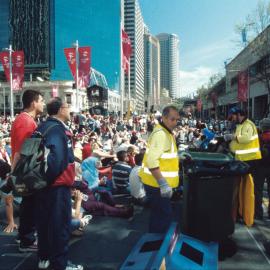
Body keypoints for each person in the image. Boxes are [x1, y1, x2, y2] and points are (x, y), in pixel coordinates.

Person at [35, 98, 83, 270]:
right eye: (68, 106)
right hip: (56, 186)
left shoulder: (42, 126)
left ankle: (44, 258)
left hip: (42, 185)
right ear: (60, 110)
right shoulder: (58, 130)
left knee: (44, 223)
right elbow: (58, 162)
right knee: (60, 225)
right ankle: (60, 264)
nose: (70, 109)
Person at [10, 90, 44, 249]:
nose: (43, 103)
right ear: (33, 103)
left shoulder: (23, 119)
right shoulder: (27, 122)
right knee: (31, 204)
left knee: (28, 204)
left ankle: (24, 235)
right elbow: (24, 152)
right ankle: (27, 240)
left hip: (22, 170)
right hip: (26, 171)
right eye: (41, 100)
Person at [139, 105, 180, 233]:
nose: (175, 122)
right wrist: (163, 183)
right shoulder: (161, 134)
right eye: (172, 119)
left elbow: (164, 156)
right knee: (163, 217)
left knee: (158, 215)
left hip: (157, 184)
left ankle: (155, 242)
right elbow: (152, 161)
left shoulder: (166, 132)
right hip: (157, 184)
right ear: (164, 118)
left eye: (177, 119)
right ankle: (158, 246)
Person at [229, 108, 262, 219]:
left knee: (251, 188)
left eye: (234, 116)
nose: (233, 118)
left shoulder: (249, 125)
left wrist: (232, 137)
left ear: (239, 115)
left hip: (251, 160)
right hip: (242, 159)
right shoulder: (240, 125)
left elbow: (245, 139)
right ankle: (243, 211)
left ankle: (255, 214)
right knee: (243, 187)